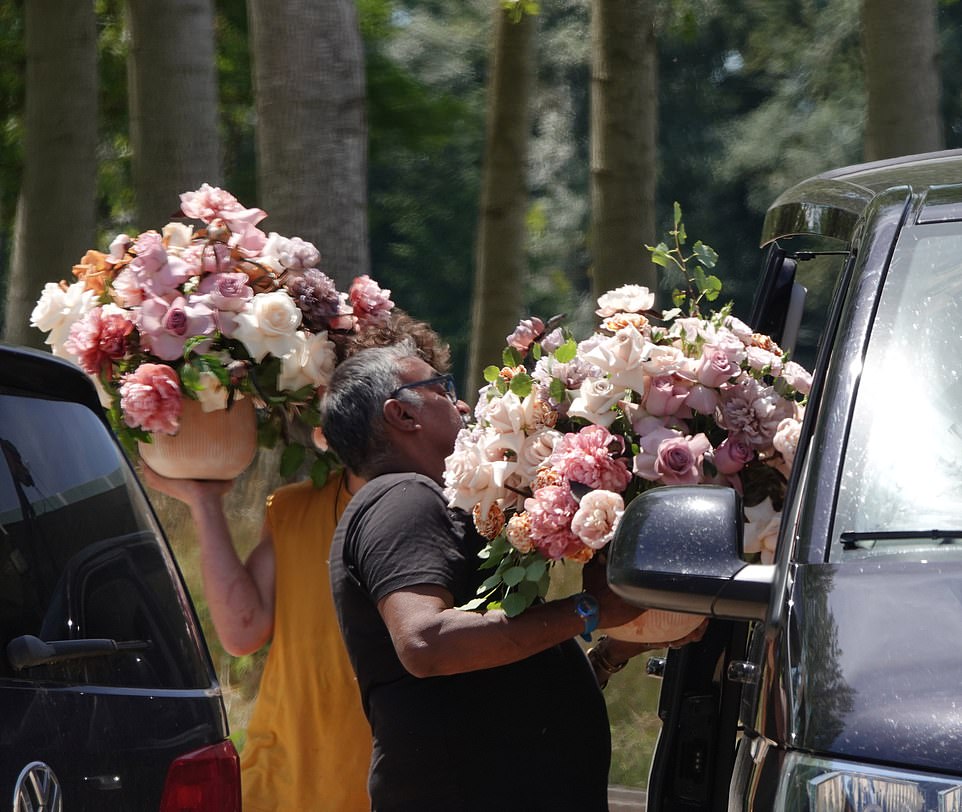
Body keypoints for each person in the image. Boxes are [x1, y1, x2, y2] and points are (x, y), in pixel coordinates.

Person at [319, 342, 674, 812]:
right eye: (441, 389)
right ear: (402, 415)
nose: (462, 402)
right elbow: (427, 643)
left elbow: (489, 688)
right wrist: (587, 610)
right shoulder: (404, 495)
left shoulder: (412, 499)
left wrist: (607, 655)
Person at [142, 312, 451, 812]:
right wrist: (204, 503)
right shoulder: (293, 509)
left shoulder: (461, 514)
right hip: (281, 788)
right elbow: (242, 632)